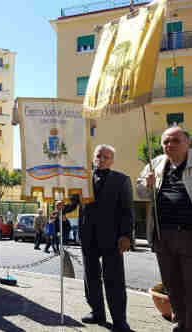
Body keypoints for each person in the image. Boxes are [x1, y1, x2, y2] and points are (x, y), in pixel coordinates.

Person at [136, 126, 192, 332]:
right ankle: (180, 322)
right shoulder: (156, 163)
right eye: (166, 142)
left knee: (190, 283)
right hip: (162, 234)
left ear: (187, 143)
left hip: (189, 234)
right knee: (171, 282)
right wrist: (146, 185)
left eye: (175, 141)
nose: (170, 145)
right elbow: (140, 191)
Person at [78, 144, 133, 332]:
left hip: (112, 238)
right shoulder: (83, 180)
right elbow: (73, 202)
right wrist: (62, 207)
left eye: (106, 157)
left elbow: (127, 211)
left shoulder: (122, 180)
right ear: (94, 157)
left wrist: (126, 235)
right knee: (91, 277)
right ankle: (97, 312)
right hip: (88, 236)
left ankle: (120, 320)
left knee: (114, 279)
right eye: (99, 156)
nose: (102, 159)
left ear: (112, 160)